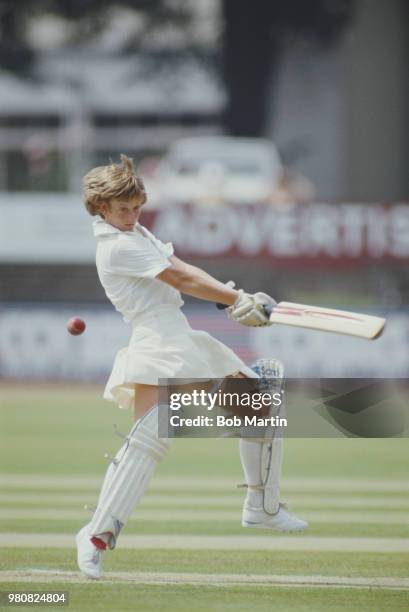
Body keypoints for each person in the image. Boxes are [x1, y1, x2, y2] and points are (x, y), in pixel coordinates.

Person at [76, 155, 308, 579]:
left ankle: (262, 507)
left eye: (135, 208)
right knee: (151, 439)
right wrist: (238, 302)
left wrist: (230, 297)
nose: (130, 216)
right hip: (158, 341)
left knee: (261, 408)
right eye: (122, 210)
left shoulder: (137, 232)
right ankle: (95, 536)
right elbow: (178, 280)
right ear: (101, 209)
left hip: (177, 335)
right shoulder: (117, 245)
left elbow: (183, 268)